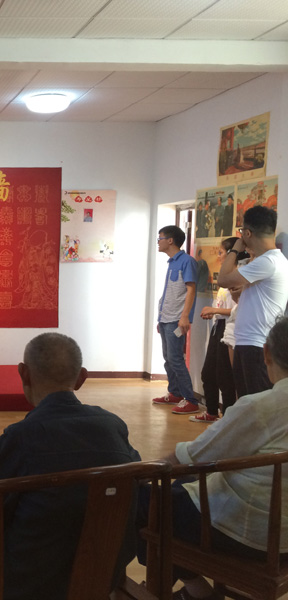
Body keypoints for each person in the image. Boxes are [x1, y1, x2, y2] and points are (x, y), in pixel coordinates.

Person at [0, 333, 140, 599]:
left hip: (25, 583)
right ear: (81, 378)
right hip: (102, 574)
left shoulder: (21, 436)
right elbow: (138, 481)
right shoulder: (113, 425)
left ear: (24, 373)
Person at [138, 317, 288, 600]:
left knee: (146, 501)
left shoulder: (261, 407)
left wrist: (139, 475)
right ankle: (194, 592)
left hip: (255, 536)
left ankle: (188, 591)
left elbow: (192, 458)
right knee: (181, 490)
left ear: (266, 352)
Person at [218, 206, 288, 397]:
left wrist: (235, 249)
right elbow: (245, 296)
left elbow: (222, 280)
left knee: (255, 405)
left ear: (247, 233)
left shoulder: (268, 262)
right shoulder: (269, 261)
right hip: (250, 342)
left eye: (242, 232)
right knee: (248, 403)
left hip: (256, 344)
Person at [152, 225, 199, 414]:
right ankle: (175, 393)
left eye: (160, 238)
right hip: (166, 318)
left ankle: (191, 400)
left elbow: (191, 289)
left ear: (170, 240)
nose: (158, 242)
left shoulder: (187, 261)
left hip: (176, 319)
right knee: (168, 359)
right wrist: (160, 318)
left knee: (176, 359)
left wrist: (185, 316)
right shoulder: (172, 262)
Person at [193, 238, 238, 423]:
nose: (218, 257)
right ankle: (211, 412)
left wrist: (215, 310)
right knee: (208, 373)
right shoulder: (226, 277)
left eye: (221, 253)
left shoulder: (238, 278)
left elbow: (237, 310)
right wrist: (213, 311)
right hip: (217, 327)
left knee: (225, 377)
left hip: (229, 329)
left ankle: (227, 418)